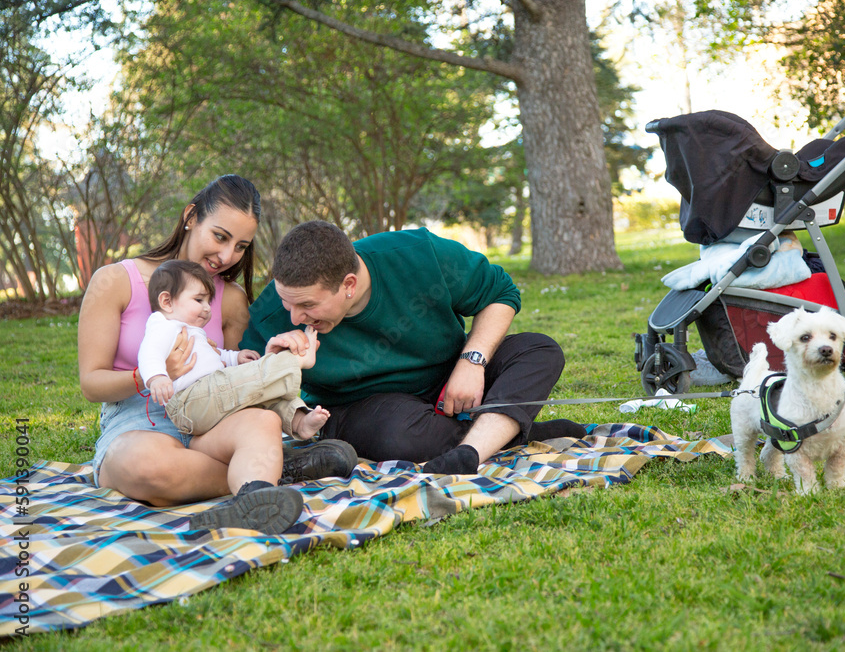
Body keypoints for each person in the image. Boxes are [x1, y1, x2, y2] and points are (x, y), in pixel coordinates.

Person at [78, 176, 355, 535]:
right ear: (191, 217)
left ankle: (256, 487)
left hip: (208, 419)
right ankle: (274, 472)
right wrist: (150, 375)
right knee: (144, 467)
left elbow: (232, 382)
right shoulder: (116, 280)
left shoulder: (230, 298)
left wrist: (266, 357)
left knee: (262, 423)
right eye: (220, 237)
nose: (227, 257)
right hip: (137, 424)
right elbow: (92, 383)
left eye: (241, 246)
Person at [240, 221, 587, 475]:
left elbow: (500, 293)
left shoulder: (418, 254)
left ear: (349, 285)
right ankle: (502, 436)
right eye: (286, 302)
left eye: (307, 305)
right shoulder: (272, 314)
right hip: (365, 409)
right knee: (400, 438)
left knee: (539, 350)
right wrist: (277, 365)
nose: (294, 316)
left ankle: (473, 447)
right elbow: (241, 390)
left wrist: (472, 361)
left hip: (451, 380)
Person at [137, 259, 331, 440]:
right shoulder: (163, 325)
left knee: (261, 393)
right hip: (191, 401)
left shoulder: (193, 333)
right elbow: (149, 352)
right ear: (166, 302)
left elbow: (215, 356)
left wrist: (236, 358)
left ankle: (299, 421)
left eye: (208, 302)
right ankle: (295, 360)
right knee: (249, 378)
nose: (207, 308)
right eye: (199, 300)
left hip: (209, 397)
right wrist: (157, 377)